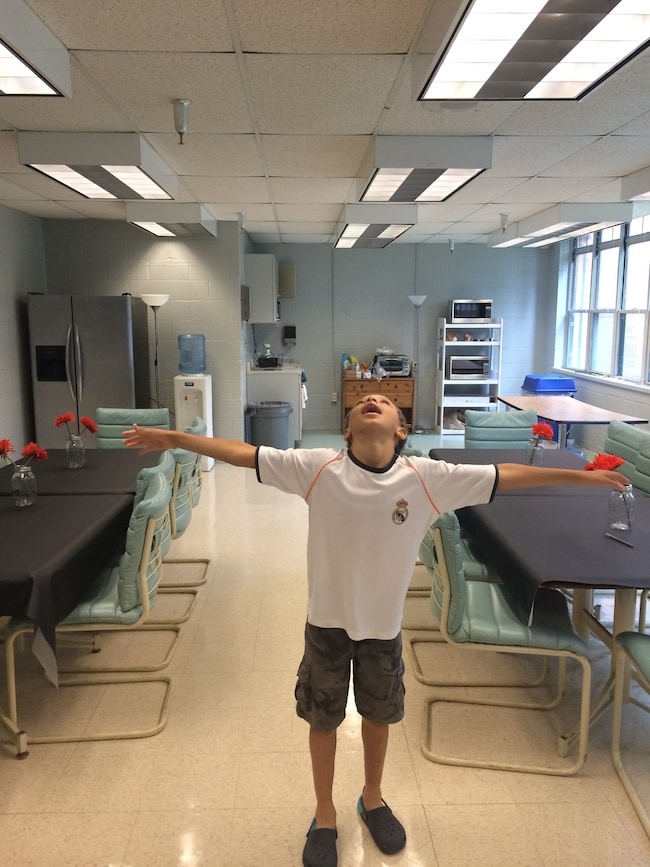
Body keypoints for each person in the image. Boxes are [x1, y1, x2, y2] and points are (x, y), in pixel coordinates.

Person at [123, 394, 628, 867]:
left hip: (382, 629)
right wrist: (176, 438)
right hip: (326, 624)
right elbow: (241, 452)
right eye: (364, 401)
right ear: (346, 429)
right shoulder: (317, 467)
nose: (373, 400)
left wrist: (581, 479)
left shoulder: (426, 477)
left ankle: (372, 798)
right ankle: (325, 813)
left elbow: (505, 476)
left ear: (401, 430)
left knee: (379, 716)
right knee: (323, 720)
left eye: (385, 402)